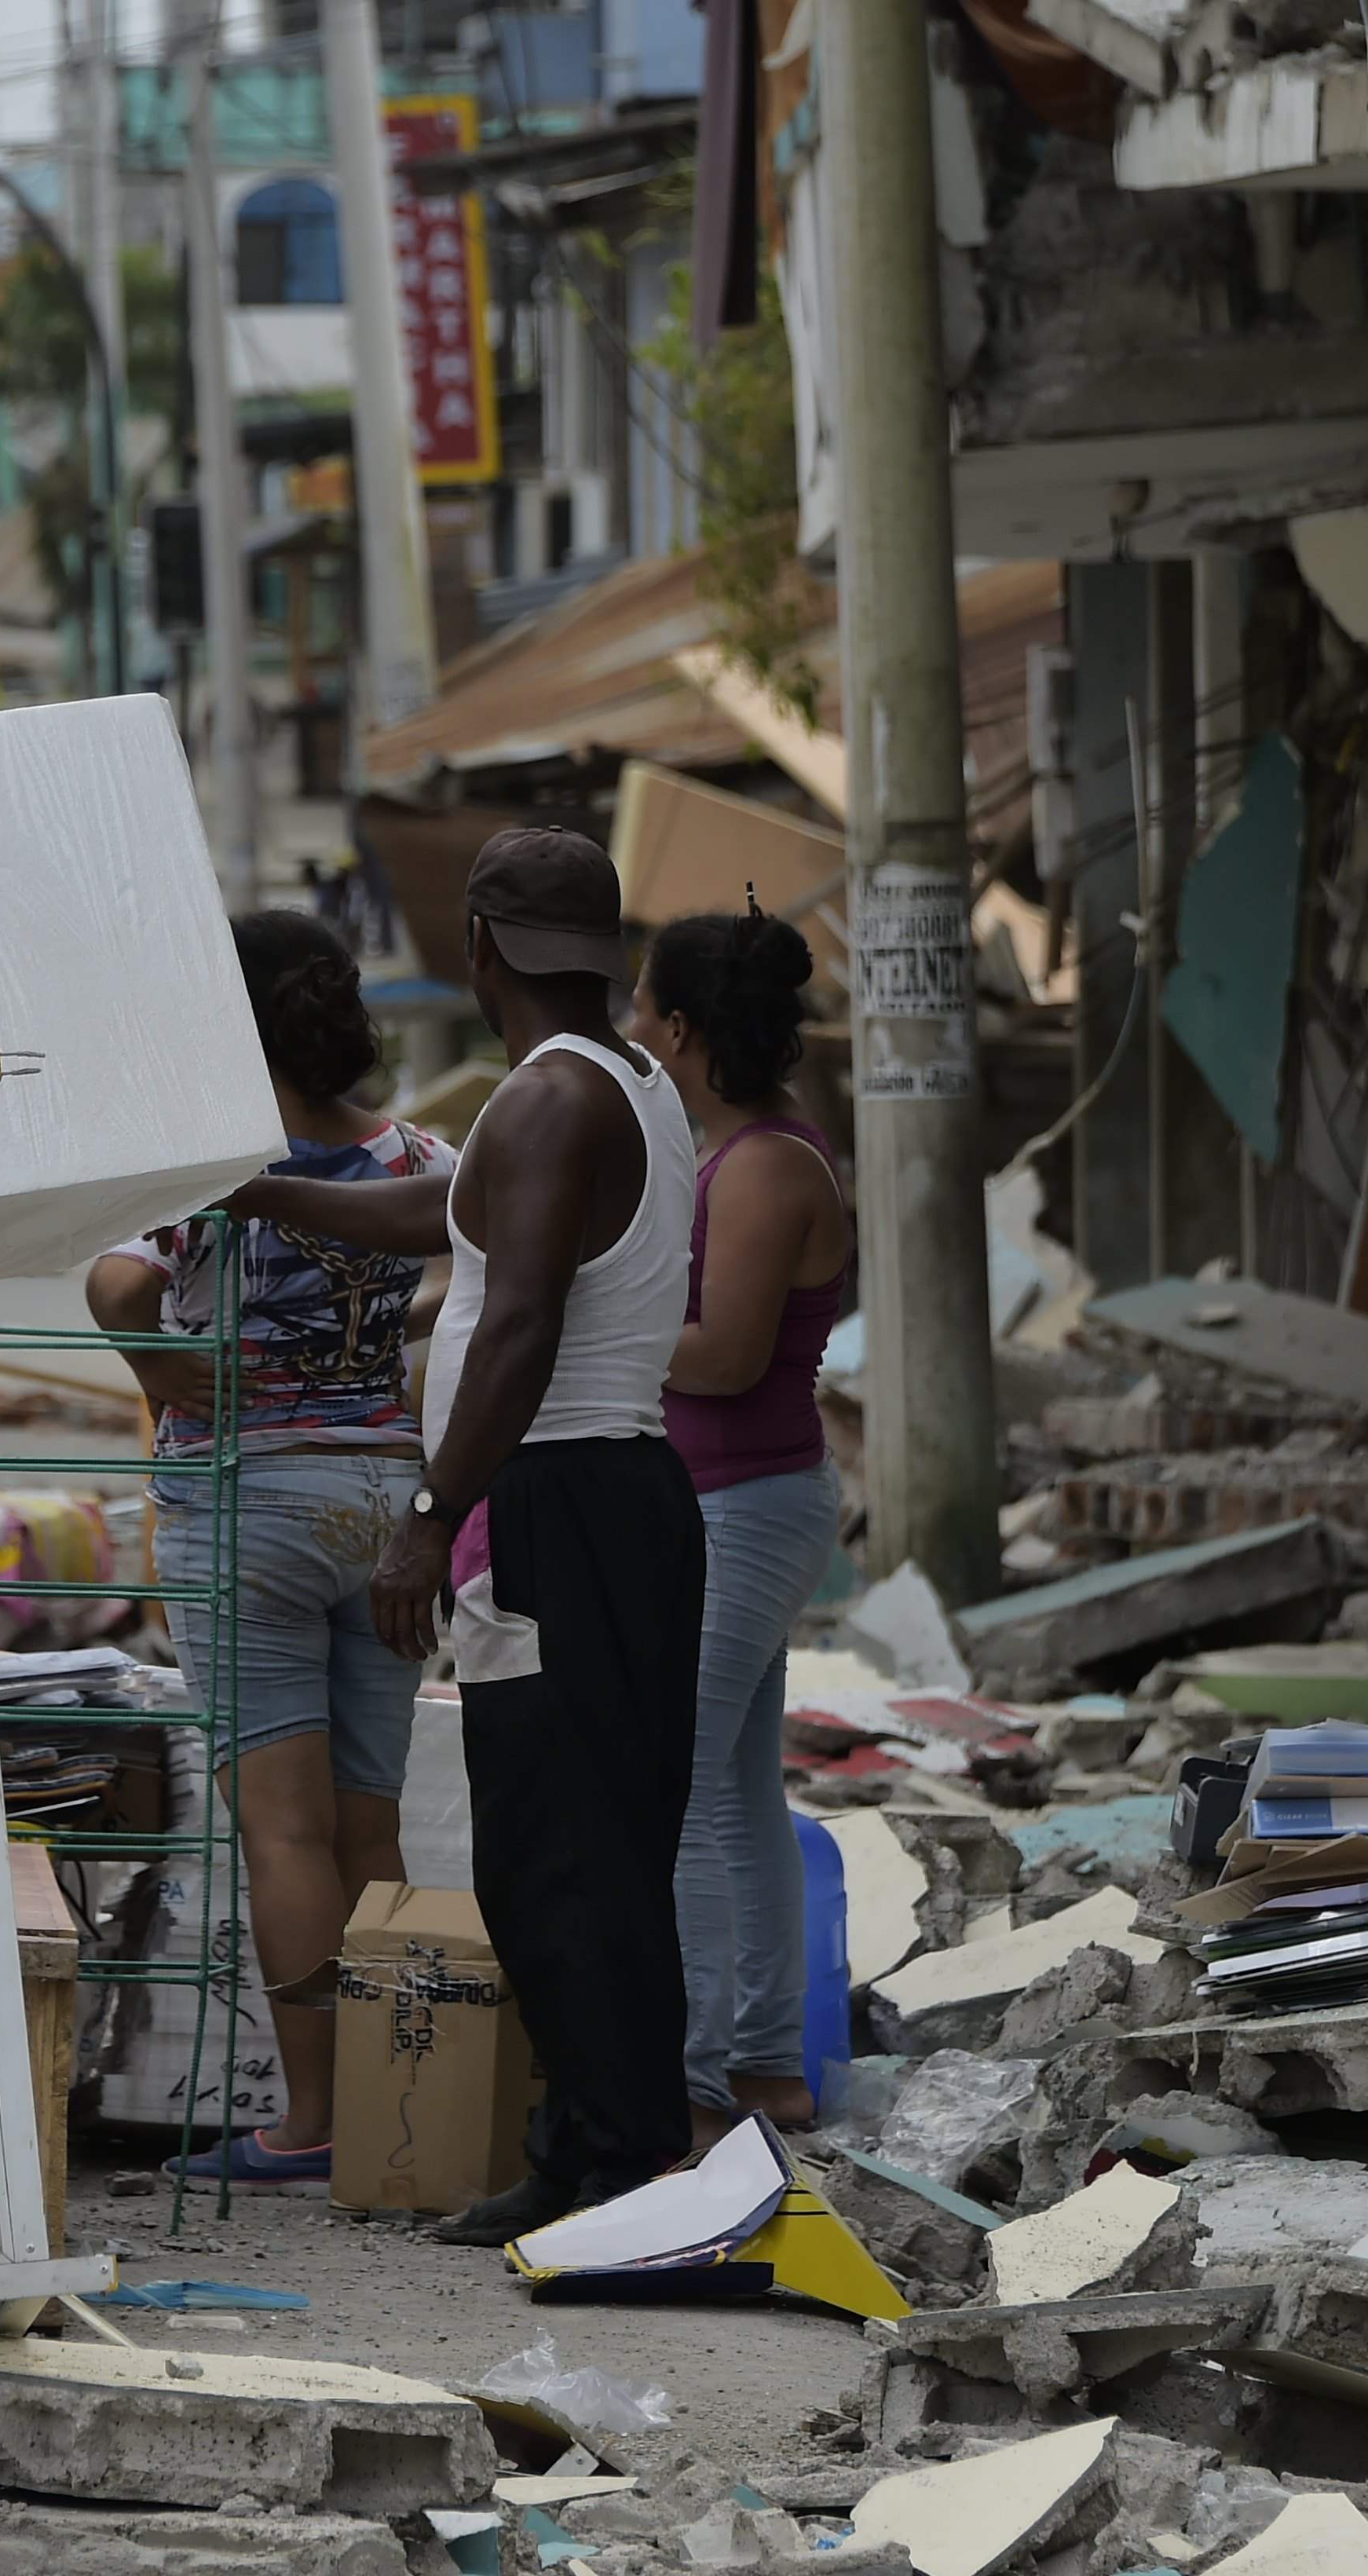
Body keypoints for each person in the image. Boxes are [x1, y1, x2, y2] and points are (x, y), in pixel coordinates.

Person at [231, 827, 704, 2246]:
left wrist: (430, 1518)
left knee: (565, 1854)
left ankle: (616, 2167)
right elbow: (427, 1219)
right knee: (567, 1845)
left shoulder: (549, 1103)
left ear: (482, 947)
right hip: (608, 1499)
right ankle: (580, 2146)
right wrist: (251, 1190)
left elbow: (515, 1322)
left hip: (564, 1503)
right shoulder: (616, 1083)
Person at [85, 912, 450, 2190]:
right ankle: (407, 2111)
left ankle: (309, 2124)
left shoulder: (209, 1166)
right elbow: (469, 1262)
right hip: (382, 1508)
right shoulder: (412, 1152)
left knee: (281, 1834)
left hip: (248, 1508)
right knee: (367, 1828)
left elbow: (118, 1286)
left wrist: (164, 1373)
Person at [631, 907, 852, 2147]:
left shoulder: (767, 1164)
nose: (630, 1035)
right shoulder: (741, 1152)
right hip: (737, 1501)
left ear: (683, 1029)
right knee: (733, 1792)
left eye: (642, 1012)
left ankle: (703, 2082)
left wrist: (582, 1331)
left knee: (681, 1786)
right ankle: (764, 2068)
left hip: (747, 1505)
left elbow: (722, 1362)